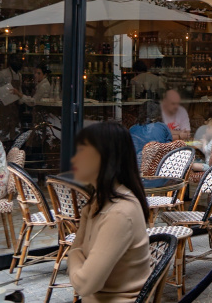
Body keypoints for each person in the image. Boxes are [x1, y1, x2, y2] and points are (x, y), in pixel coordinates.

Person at [68, 122, 150, 303]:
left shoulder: (119, 213)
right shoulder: (96, 202)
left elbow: (85, 284)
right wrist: (77, 254)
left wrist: (74, 255)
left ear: (106, 158)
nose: (74, 159)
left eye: (82, 151)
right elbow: (78, 250)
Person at [129, 100, 172, 166]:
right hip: (156, 168)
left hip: (135, 168)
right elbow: (169, 149)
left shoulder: (132, 129)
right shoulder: (163, 127)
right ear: (159, 114)